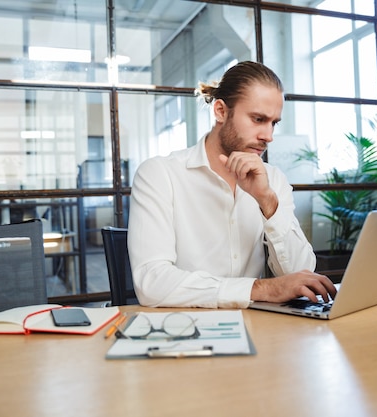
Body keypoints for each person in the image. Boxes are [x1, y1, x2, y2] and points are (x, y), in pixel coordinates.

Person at [127, 61, 337, 308]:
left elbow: (301, 275)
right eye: (258, 119)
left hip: (262, 329)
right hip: (186, 328)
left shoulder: (273, 180)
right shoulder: (160, 174)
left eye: (273, 123)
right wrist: (260, 288)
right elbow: (152, 283)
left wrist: (268, 202)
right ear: (220, 111)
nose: (268, 136)